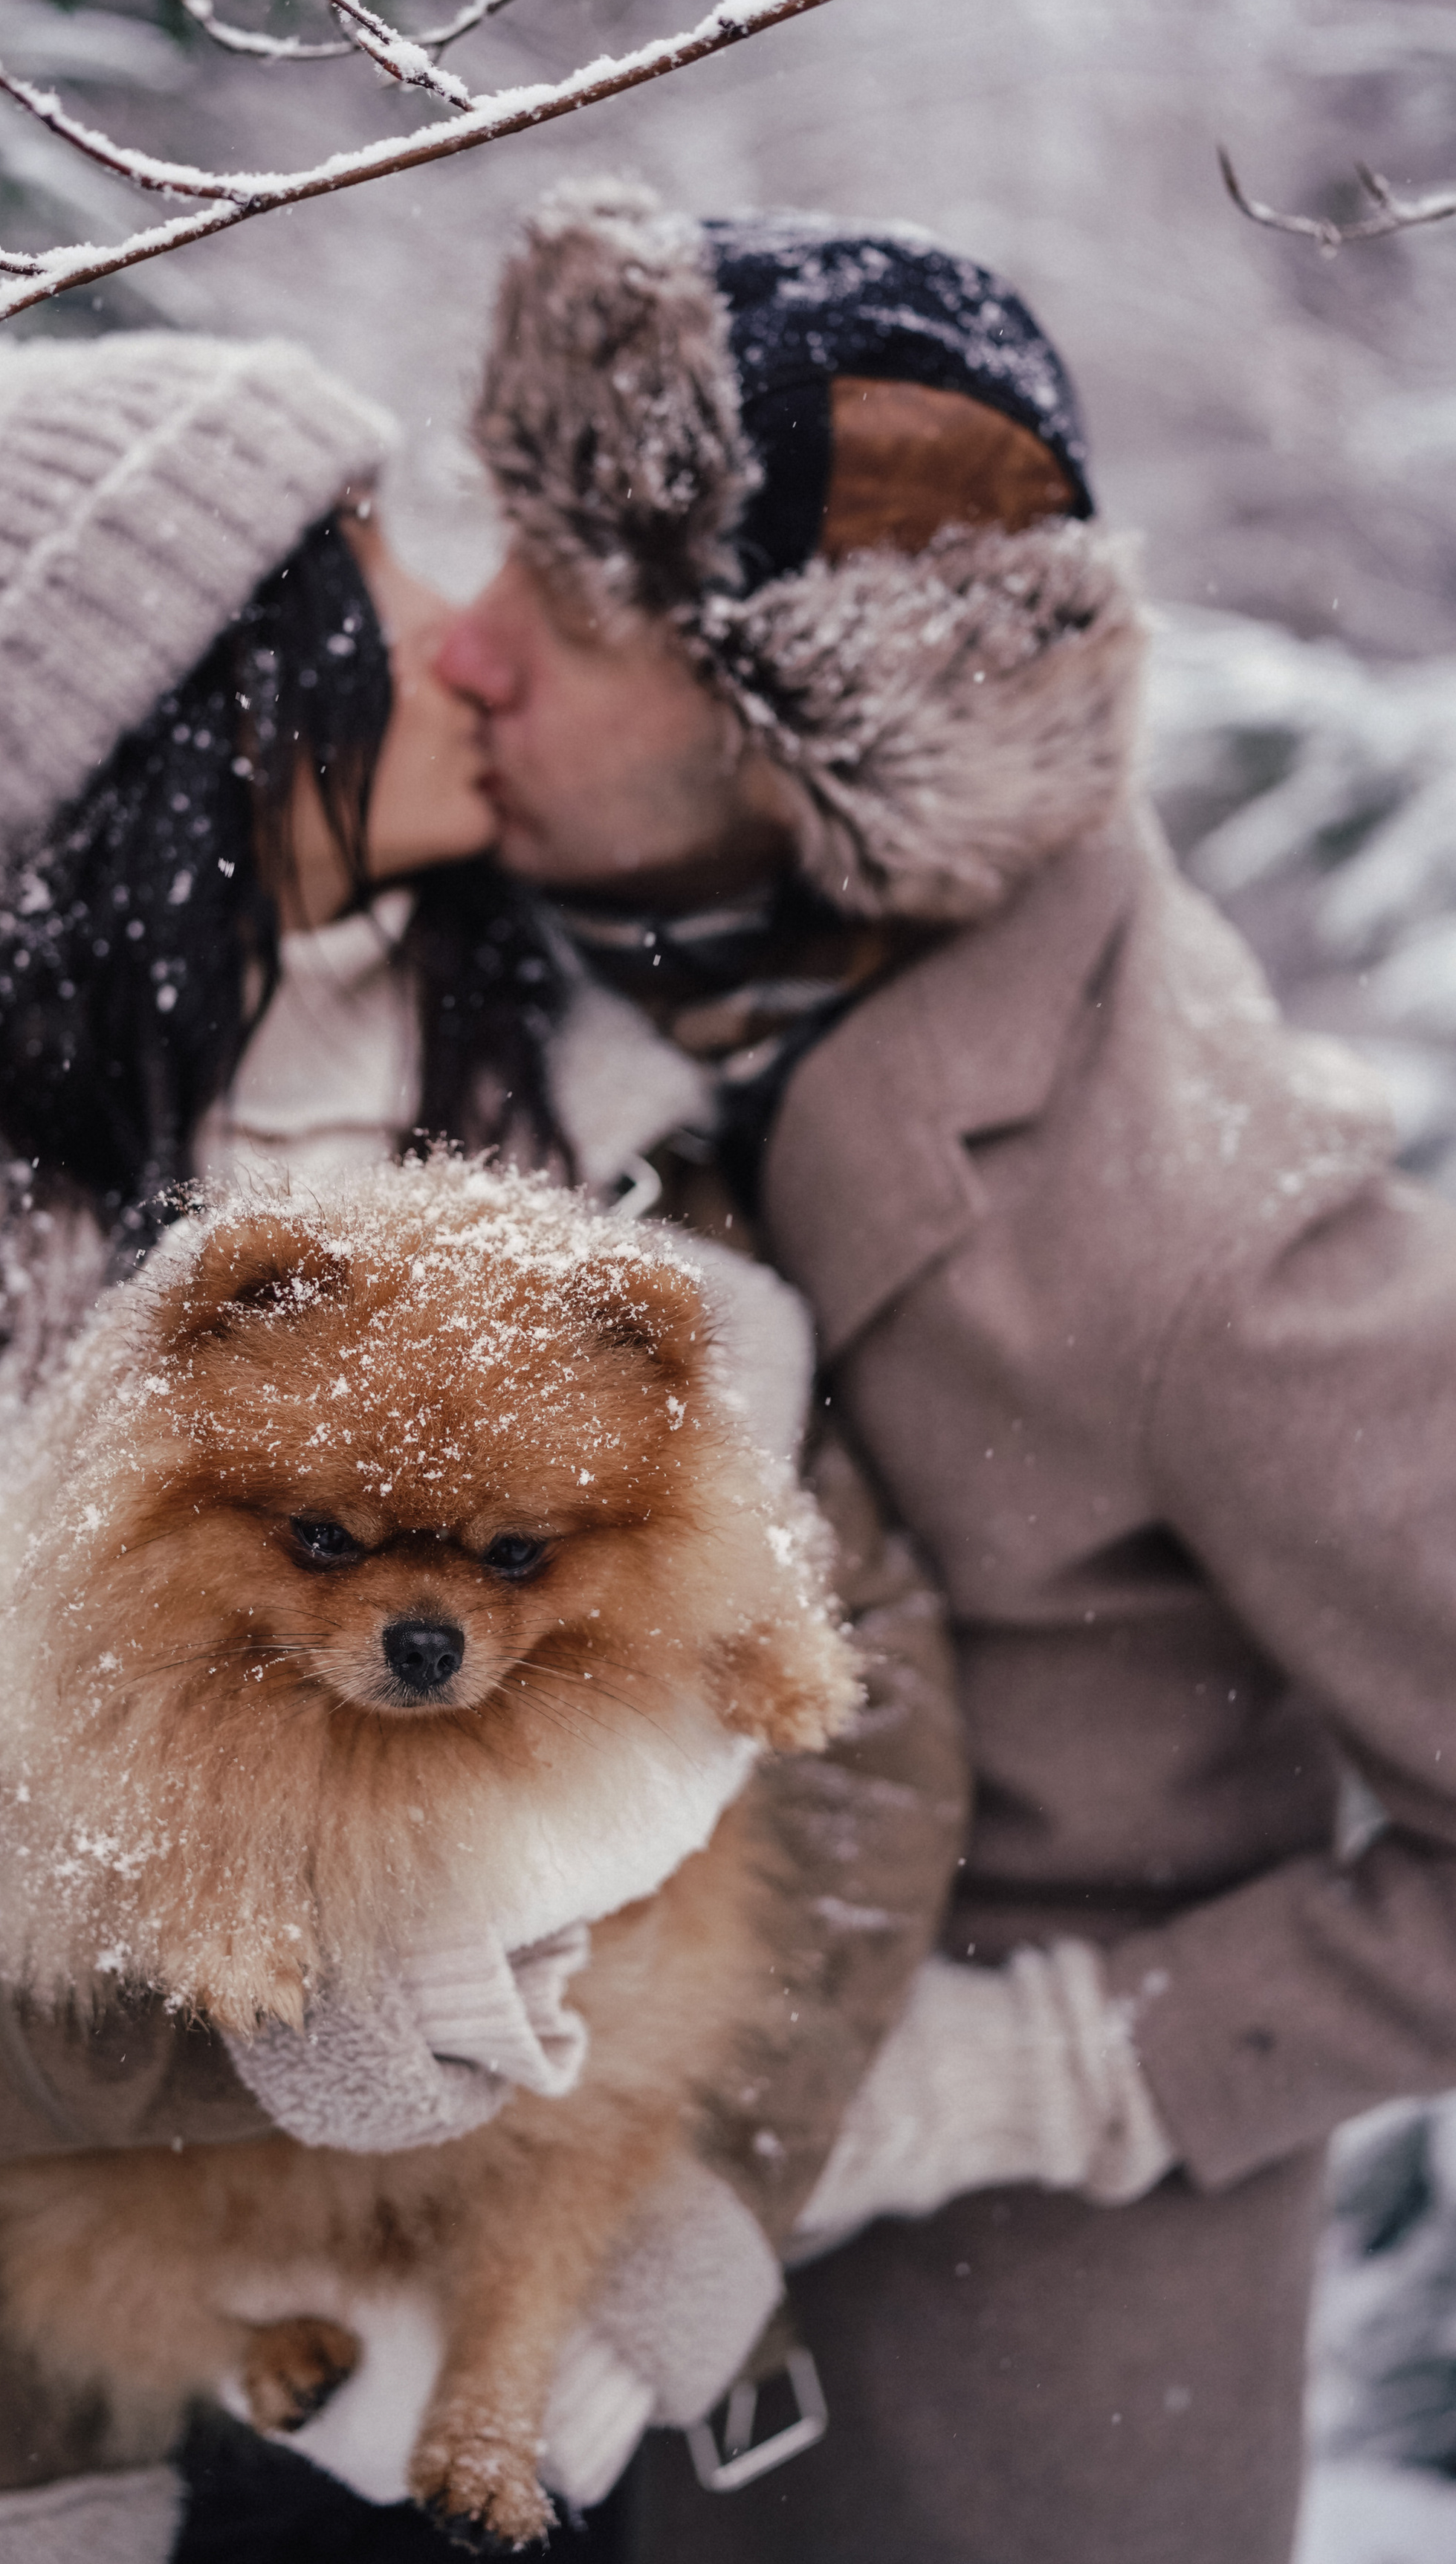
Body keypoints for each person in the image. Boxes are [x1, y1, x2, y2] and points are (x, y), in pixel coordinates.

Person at [0, 328, 964, 2562]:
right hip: (37, 2367)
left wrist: (688, 2196)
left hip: (481, 2328)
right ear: (206, 709)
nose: (463, 642)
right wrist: (284, 2006)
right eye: (371, 588)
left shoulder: (578, 1103)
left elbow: (861, 1697)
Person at [433, 178, 1456, 2564]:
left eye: (568, 608)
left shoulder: (1199, 1221)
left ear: (805, 720)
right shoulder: (575, 961)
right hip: (567, 2359)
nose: (469, 649)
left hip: (977, 2411)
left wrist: (1064, 2072)